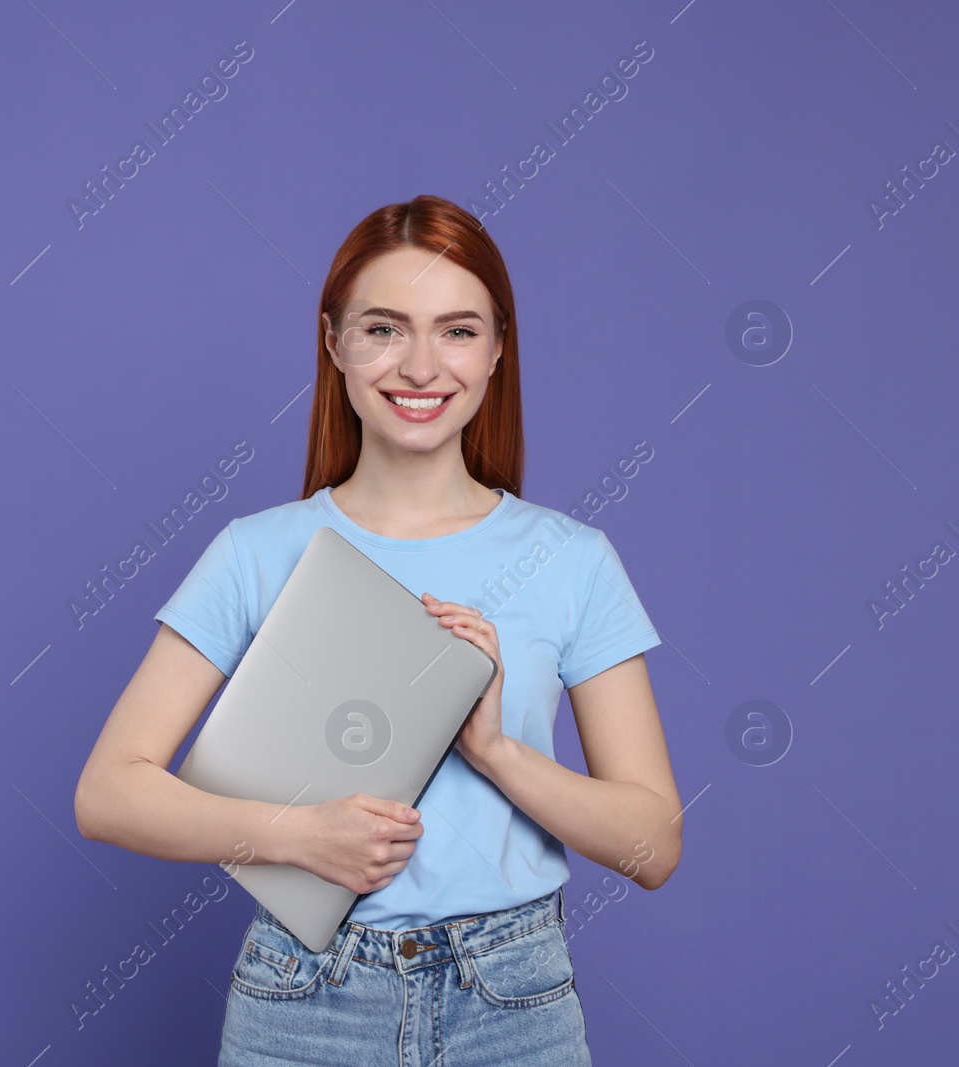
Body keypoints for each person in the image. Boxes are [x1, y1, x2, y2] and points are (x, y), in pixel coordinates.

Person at [74, 194, 681, 1066]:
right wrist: (297, 835)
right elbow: (108, 793)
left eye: (459, 331)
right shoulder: (257, 552)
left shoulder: (572, 559)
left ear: (500, 348)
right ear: (335, 343)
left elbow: (653, 844)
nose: (422, 365)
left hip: (512, 1000)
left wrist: (498, 751)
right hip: (304, 996)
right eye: (385, 329)